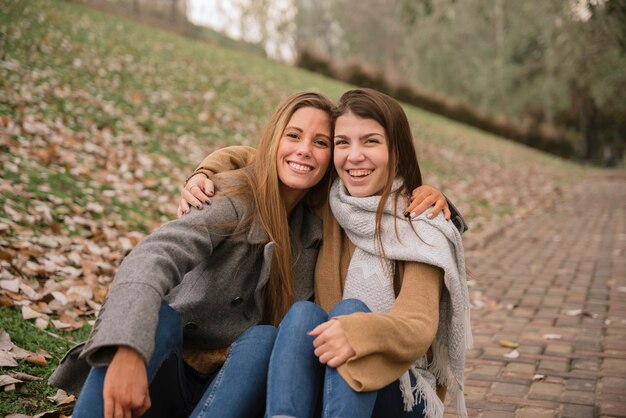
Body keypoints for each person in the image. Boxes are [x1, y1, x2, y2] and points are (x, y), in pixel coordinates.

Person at [178, 89, 470, 417]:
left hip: (400, 388)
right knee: (303, 314)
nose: (354, 156)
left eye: (370, 142)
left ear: (396, 150)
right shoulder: (332, 204)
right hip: (328, 375)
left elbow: (418, 324)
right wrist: (204, 171)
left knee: (349, 309)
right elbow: (262, 157)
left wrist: (357, 331)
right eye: (343, 143)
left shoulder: (419, 224)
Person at [49, 91, 337, 418]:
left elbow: (374, 180)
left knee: (264, 340)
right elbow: (152, 256)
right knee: (162, 316)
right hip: (165, 371)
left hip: (234, 389)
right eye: (294, 135)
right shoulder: (232, 199)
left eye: (321, 142)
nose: (304, 150)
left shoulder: (320, 229)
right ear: (273, 140)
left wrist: (411, 190)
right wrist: (128, 347)